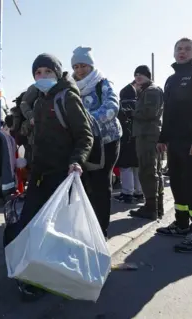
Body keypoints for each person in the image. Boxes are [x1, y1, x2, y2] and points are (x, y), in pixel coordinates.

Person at [3, 53, 93, 300]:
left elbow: (85, 136)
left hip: (62, 175)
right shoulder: (40, 102)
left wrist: (76, 162)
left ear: (57, 73)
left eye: (47, 72)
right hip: (40, 173)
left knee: (54, 228)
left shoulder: (67, 98)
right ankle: (35, 272)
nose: (42, 77)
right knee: (33, 222)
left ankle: (48, 276)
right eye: (38, 73)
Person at [155, 38, 192, 253]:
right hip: (175, 142)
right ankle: (181, 224)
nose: (182, 52)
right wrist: (162, 138)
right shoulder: (170, 79)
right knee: (177, 182)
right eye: (179, 48)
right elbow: (167, 113)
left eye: (187, 49)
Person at [71, 46, 121, 238]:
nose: (80, 70)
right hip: (86, 142)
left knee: (101, 184)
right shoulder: (72, 86)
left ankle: (101, 231)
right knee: (84, 184)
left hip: (107, 142)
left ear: (91, 65)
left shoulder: (103, 83)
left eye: (83, 65)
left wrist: (85, 121)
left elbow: (112, 107)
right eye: (76, 66)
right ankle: (85, 227)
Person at [129, 65, 165, 220]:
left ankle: (151, 208)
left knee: (147, 170)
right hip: (148, 134)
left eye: (141, 74)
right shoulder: (147, 90)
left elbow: (150, 112)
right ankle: (157, 207)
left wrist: (131, 112)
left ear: (148, 76)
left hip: (147, 135)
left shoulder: (151, 90)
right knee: (153, 171)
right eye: (136, 74)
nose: (138, 77)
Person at [114, 81, 143, 204]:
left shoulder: (120, 106)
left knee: (126, 168)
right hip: (139, 139)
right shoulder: (140, 105)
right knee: (137, 167)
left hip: (125, 140)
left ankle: (127, 193)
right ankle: (139, 193)